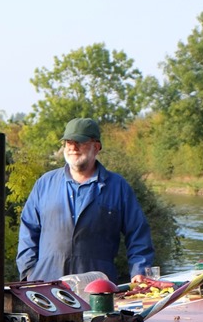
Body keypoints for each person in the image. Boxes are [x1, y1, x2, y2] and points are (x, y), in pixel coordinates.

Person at [16, 118, 155, 283]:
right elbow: (28, 230)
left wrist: (139, 271)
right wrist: (29, 271)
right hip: (46, 287)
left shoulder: (118, 187)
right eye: (69, 142)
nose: (73, 148)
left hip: (97, 289)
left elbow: (138, 234)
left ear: (96, 147)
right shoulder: (45, 184)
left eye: (80, 142)